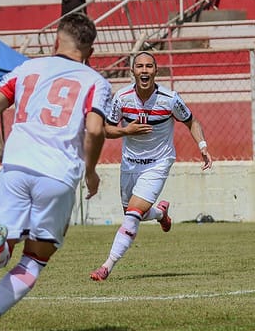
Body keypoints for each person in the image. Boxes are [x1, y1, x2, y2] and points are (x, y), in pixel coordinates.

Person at [0, 12, 111, 331]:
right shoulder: (95, 82)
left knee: (6, 251)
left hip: (15, 169)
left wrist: (6, 156)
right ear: (90, 50)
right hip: (56, 175)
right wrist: (91, 172)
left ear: (56, 39)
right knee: (34, 259)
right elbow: (95, 130)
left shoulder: (26, 68)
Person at [89, 52, 213, 282]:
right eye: (139, 66)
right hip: (129, 163)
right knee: (134, 213)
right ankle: (160, 213)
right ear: (132, 71)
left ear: (156, 71)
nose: (144, 70)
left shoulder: (170, 98)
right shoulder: (122, 98)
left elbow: (191, 121)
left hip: (158, 163)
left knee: (132, 216)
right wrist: (127, 131)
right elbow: (105, 128)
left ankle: (106, 266)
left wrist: (203, 145)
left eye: (148, 66)